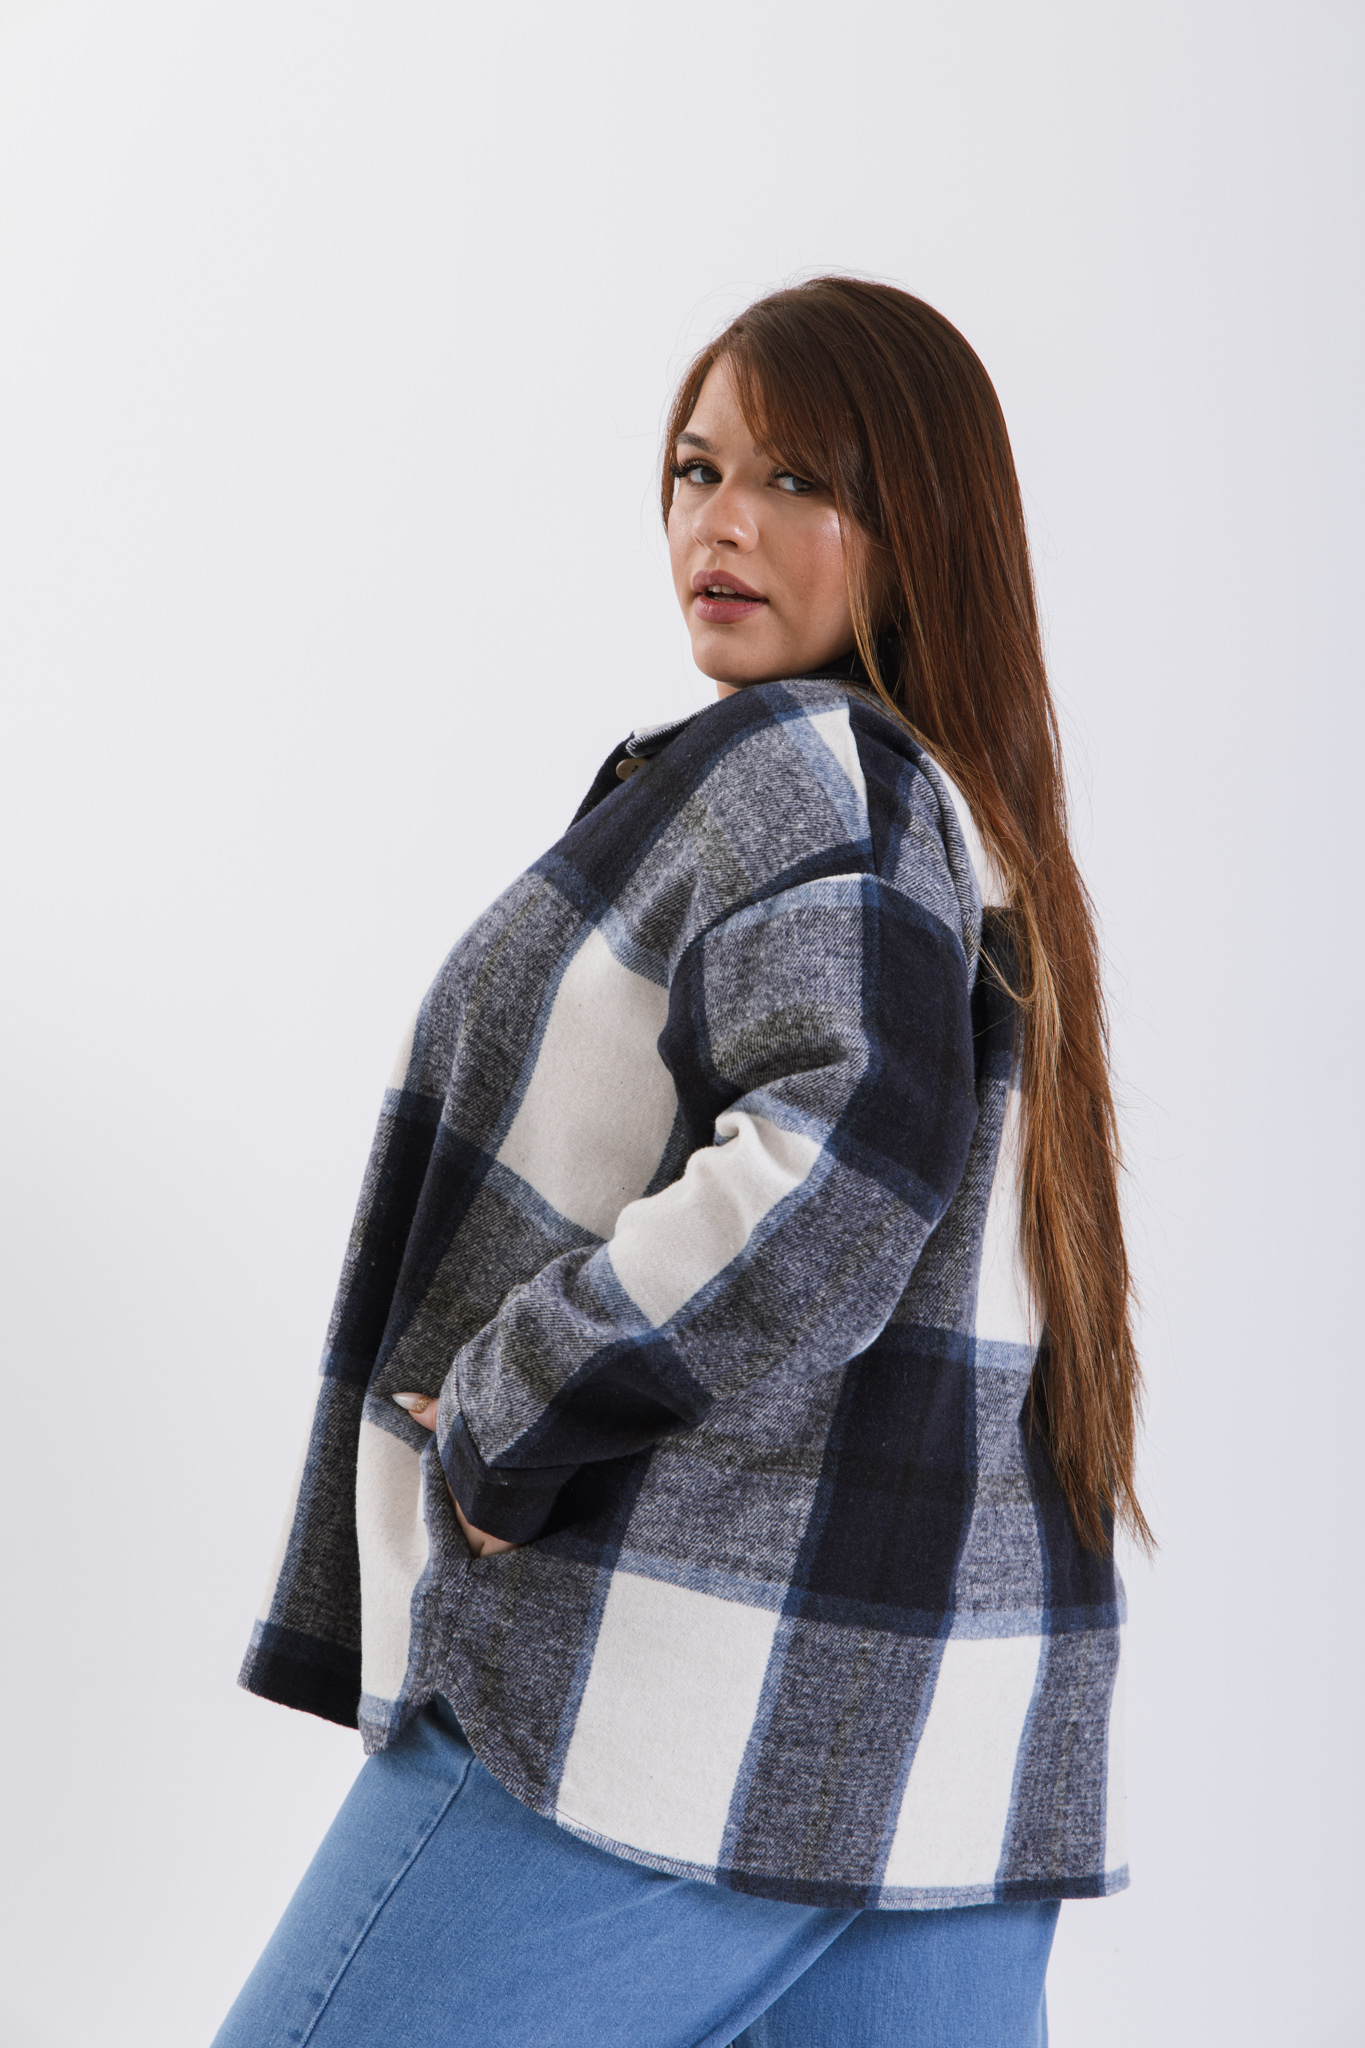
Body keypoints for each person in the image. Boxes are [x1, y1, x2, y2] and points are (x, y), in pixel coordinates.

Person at [216, 276, 1146, 2048]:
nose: (722, 525)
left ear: (920, 526)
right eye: (696, 469)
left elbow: (837, 1168)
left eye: (799, 481)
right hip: (933, 1745)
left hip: (682, 1703)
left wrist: (517, 1408)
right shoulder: (964, 819)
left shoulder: (809, 763)